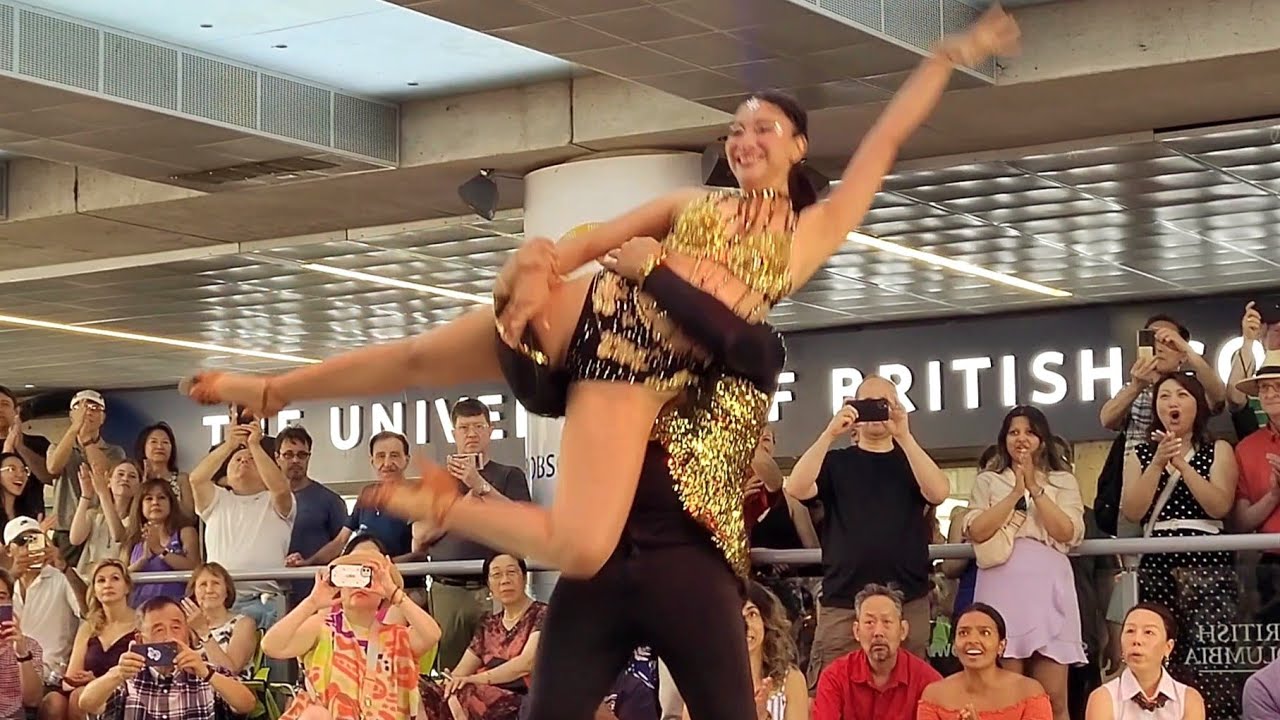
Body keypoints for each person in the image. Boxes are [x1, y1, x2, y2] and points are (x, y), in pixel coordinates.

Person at [182, 7, 1020, 584]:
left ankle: (447, 502)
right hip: (592, 311)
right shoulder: (691, 204)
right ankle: (274, 389)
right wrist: (540, 266)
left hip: (635, 369)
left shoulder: (811, 234)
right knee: (417, 354)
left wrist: (946, 57)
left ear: (798, 145)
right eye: (735, 128)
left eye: (763, 127)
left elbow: (886, 138)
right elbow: (589, 242)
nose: (744, 139)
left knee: (581, 546)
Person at [1121, 372, 1236, 707]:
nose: (1172, 402)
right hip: (1157, 561)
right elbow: (1133, 510)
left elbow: (1219, 505)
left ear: (1197, 405)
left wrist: (1182, 466)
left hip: (1207, 561)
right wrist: (1158, 462)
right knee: (1161, 648)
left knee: (1209, 652)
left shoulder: (1217, 449)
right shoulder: (1140, 454)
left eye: (1182, 395)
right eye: (1164, 396)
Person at [962, 406, 1085, 720]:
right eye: (1014, 432)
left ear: (1042, 439)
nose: (1021, 439)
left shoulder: (1063, 481)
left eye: (1030, 432)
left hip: (1049, 588)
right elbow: (977, 530)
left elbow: (1067, 532)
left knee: (1053, 696)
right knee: (1005, 696)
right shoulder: (988, 481)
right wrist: (1015, 492)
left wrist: (1035, 489)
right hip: (1001, 589)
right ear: (1003, 440)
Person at [262, 536, 441, 720]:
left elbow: (432, 635)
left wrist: (395, 594)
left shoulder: (397, 638)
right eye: (351, 573)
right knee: (316, 715)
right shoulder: (322, 627)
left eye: (368, 574)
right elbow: (271, 645)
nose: (359, 584)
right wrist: (312, 602)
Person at [77, 595, 258, 720]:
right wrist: (117, 674)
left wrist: (206, 673)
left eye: (176, 628)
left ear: (187, 634)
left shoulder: (207, 672)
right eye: (158, 630)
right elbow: (87, 703)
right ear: (140, 639)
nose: (169, 637)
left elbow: (247, 704)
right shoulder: (126, 676)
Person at [421, 553, 546, 720]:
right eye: (497, 575)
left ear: (523, 578)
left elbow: (526, 663)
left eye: (511, 572)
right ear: (489, 584)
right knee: (422, 691)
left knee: (465, 692)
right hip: (481, 694)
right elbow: (461, 671)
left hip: (523, 700)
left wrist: (474, 680)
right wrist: (449, 681)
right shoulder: (488, 624)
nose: (505, 580)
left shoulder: (542, 614)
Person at [814, 584, 939, 720]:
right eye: (869, 623)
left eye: (887, 622)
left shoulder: (927, 680)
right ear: (856, 631)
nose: (878, 632)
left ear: (903, 630)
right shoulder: (834, 678)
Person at [917, 603, 1052, 720]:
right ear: (954, 645)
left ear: (1001, 645)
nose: (972, 640)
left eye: (985, 633)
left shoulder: (1029, 692)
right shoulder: (934, 695)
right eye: (963, 633)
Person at [1084, 602, 1205, 720]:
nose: (1137, 640)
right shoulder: (1103, 698)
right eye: (1130, 631)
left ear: (1168, 647)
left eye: (1148, 632)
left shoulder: (1188, 699)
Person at [62, 559, 136, 720]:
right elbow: (70, 678)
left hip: (129, 694)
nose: (107, 584)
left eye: (115, 578)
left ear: (127, 587)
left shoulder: (141, 624)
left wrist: (98, 680)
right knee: (74, 696)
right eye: (101, 580)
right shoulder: (88, 628)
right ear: (94, 590)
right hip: (91, 696)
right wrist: (91, 683)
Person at [123, 479, 199, 605]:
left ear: (171, 503)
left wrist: (160, 551)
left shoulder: (185, 532)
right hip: (139, 607)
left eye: (161, 497)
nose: (155, 502)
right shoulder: (133, 537)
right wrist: (143, 560)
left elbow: (194, 567)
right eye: (149, 498)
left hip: (175, 607)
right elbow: (121, 574)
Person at [182, 563, 258, 678]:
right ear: (194, 592)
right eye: (203, 584)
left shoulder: (244, 624)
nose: (209, 590)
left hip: (228, 688)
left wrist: (204, 632)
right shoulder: (185, 626)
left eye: (216, 583)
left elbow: (229, 671)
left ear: (227, 590)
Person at [69, 461, 136, 579]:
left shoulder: (136, 519)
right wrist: (86, 495)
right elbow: (75, 539)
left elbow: (119, 536)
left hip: (117, 578)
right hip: (89, 578)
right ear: (109, 481)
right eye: (120, 474)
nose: (125, 479)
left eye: (132, 476)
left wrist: (103, 494)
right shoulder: (94, 515)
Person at [0, 567, 45, 720]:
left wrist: (22, 654)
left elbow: (33, 701)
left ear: (10, 603)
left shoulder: (30, 647)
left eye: (1, 597)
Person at [134, 423, 193, 522]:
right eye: (154, 441)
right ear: (143, 446)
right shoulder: (135, 477)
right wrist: (144, 484)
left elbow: (190, 517)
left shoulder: (182, 479)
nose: (159, 446)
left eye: (165, 442)